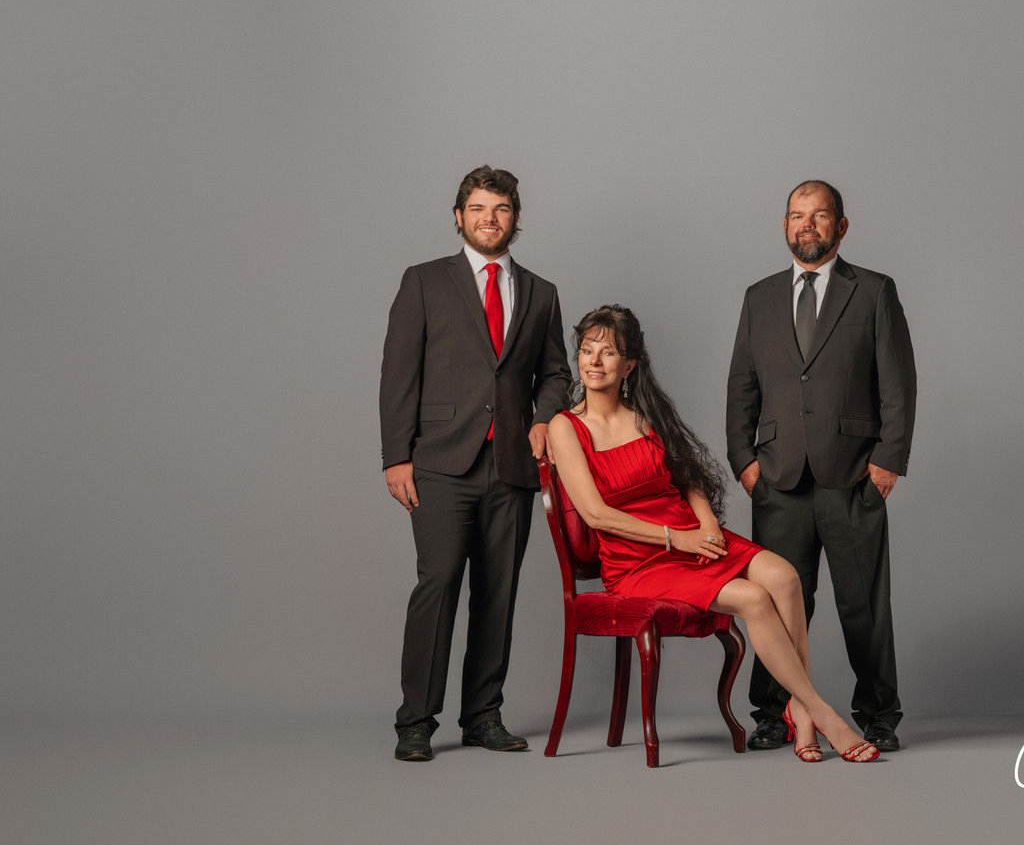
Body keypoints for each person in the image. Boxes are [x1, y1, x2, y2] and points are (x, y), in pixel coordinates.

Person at [548, 305, 878, 763]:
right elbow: (596, 515)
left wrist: (704, 523)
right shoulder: (566, 427)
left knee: (784, 577)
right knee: (754, 599)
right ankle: (820, 713)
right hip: (638, 561)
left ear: (630, 365)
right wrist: (674, 539)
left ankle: (799, 710)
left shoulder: (645, 417)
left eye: (608, 353)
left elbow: (688, 481)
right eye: (587, 351)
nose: (594, 362)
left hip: (691, 535)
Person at [380, 166, 571, 761]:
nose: (490, 218)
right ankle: (416, 722)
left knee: (499, 591)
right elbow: (398, 374)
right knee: (437, 586)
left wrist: (543, 419)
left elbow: (556, 372)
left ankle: (483, 715)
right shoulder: (423, 281)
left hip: (512, 465)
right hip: (439, 461)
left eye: (502, 208)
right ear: (459, 216)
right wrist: (397, 456)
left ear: (516, 217)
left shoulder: (542, 292)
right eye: (478, 208)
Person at [726, 180, 917, 753]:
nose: (806, 225)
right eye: (796, 216)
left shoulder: (874, 292)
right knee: (775, 606)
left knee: (864, 604)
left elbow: (898, 385)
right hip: (777, 479)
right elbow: (742, 385)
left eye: (819, 216)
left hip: (854, 477)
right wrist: (744, 461)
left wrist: (887, 464)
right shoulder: (759, 296)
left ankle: (879, 714)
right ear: (785, 226)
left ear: (842, 226)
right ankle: (771, 712)